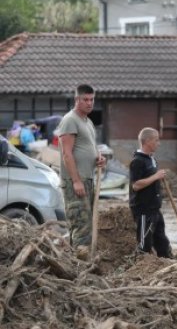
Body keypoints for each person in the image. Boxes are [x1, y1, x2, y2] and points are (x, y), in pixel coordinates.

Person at [56, 84, 106, 259]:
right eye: (85, 99)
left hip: (88, 179)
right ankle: (80, 268)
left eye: (92, 99)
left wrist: (98, 158)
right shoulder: (70, 120)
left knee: (87, 224)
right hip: (75, 181)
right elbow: (67, 154)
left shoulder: (88, 121)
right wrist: (76, 181)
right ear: (77, 99)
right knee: (82, 225)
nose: (89, 103)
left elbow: (90, 148)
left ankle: (76, 263)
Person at [129, 127, 172, 258]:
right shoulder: (137, 161)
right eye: (156, 140)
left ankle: (167, 266)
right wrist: (155, 177)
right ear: (147, 141)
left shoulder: (151, 159)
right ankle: (141, 268)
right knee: (144, 244)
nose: (159, 143)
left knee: (162, 242)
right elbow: (135, 185)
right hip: (143, 209)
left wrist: (158, 177)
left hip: (154, 208)